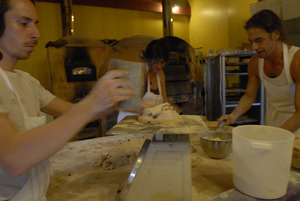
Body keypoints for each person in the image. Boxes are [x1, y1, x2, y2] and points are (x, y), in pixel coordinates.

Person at [0, 0, 134, 200]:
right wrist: (92, 104)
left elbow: (71, 112)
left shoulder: (27, 82)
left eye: (35, 23)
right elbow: (13, 158)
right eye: (24, 23)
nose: (36, 33)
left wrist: (114, 102)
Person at [218, 9, 300, 135]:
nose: (254, 47)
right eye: (252, 42)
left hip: (296, 125)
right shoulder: (255, 63)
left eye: (259, 40)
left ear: (276, 34)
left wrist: (278, 136)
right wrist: (233, 116)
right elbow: (249, 96)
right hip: (273, 120)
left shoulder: (296, 61)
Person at [117, 38, 169, 122]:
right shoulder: (139, 71)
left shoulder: (160, 73)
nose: (159, 66)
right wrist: (141, 104)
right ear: (148, 59)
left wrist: (168, 109)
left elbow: (165, 100)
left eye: (162, 62)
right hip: (129, 120)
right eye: (156, 62)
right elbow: (125, 103)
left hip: (147, 121)